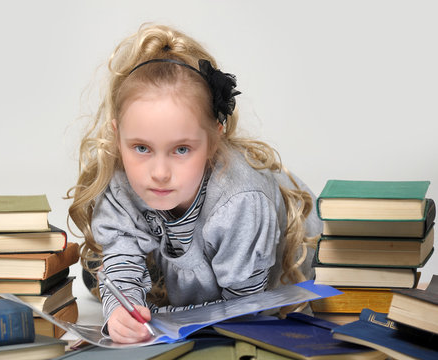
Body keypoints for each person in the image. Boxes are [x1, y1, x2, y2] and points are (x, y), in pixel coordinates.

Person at [67, 23, 322, 344]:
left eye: (181, 149)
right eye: (141, 148)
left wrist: (163, 319)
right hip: (190, 253)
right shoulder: (122, 182)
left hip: (277, 255)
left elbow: (246, 309)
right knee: (101, 272)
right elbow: (121, 265)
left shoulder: (239, 201)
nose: (159, 172)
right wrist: (122, 311)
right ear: (118, 137)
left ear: (215, 138)